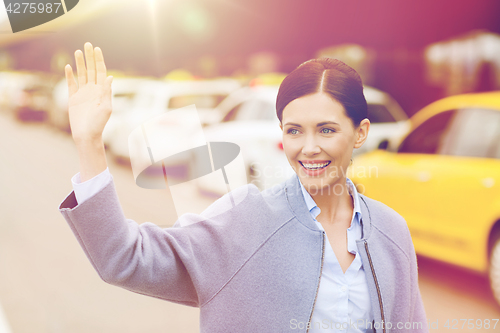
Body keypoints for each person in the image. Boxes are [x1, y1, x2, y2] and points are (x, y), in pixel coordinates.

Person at [59, 42, 428, 333]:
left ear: (360, 132)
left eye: (327, 130)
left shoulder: (391, 230)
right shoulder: (246, 217)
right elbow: (124, 259)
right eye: (294, 130)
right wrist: (90, 143)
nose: (309, 147)